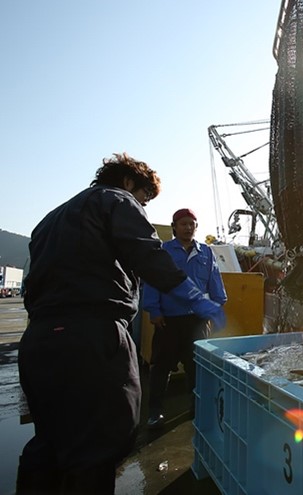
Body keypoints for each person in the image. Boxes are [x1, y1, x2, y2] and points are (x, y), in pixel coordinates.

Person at [17, 153, 225, 494]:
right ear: (129, 182)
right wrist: (201, 301)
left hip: (40, 338)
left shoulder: (50, 218)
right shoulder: (116, 200)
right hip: (92, 337)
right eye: (145, 197)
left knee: (49, 441)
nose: (143, 204)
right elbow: (151, 259)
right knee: (102, 437)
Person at [142, 208, 227, 428]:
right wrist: (154, 310)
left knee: (196, 367)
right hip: (168, 320)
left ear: (196, 227)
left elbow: (215, 283)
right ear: (174, 227)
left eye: (192, 224)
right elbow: (153, 280)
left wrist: (216, 307)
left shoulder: (206, 253)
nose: (188, 228)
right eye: (183, 224)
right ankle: (155, 411)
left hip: (197, 321)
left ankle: (196, 407)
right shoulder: (163, 251)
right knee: (161, 367)